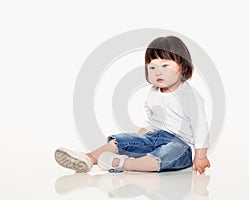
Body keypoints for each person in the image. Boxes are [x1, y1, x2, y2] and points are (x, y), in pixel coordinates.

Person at [55, 36, 210, 174]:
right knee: (120, 140)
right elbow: (151, 122)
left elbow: (200, 128)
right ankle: (87, 158)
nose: (158, 71)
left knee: (164, 155)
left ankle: (125, 164)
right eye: (152, 67)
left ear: (183, 67)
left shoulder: (189, 96)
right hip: (154, 137)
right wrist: (135, 141)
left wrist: (200, 156)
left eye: (165, 66)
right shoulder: (153, 93)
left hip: (179, 144)